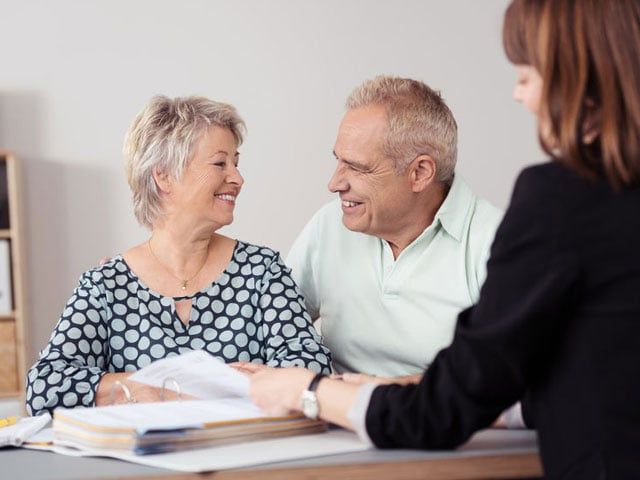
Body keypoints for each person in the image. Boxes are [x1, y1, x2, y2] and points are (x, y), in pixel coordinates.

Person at [250, 0, 640, 478]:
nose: (521, 96)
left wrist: (310, 391)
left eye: (527, 74)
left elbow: (447, 407)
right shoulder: (326, 229)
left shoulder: (555, 203)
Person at [26, 96, 331, 416]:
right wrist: (154, 389)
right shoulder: (105, 284)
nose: (237, 178)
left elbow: (311, 367)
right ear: (164, 176)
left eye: (236, 163)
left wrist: (126, 388)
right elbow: (45, 386)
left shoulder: (262, 271)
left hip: (241, 456)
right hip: (143, 462)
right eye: (220, 163)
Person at [286, 75, 503, 381]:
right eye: (338, 161)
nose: (334, 183)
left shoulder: (496, 242)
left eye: (358, 167)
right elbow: (267, 331)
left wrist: (376, 394)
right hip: (336, 422)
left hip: (454, 425)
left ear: (420, 173)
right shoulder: (329, 225)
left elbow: (509, 379)